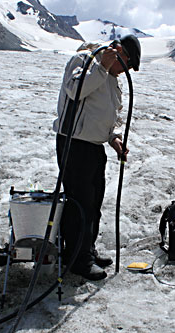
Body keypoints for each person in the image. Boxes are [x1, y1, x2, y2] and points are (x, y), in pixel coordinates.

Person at [52, 35, 141, 280]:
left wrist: (113, 138)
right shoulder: (84, 61)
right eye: (126, 64)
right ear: (118, 52)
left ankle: (87, 250)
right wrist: (101, 67)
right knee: (79, 203)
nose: (125, 72)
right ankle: (77, 260)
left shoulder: (110, 78)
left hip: (93, 147)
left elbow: (107, 115)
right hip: (74, 143)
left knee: (93, 203)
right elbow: (74, 90)